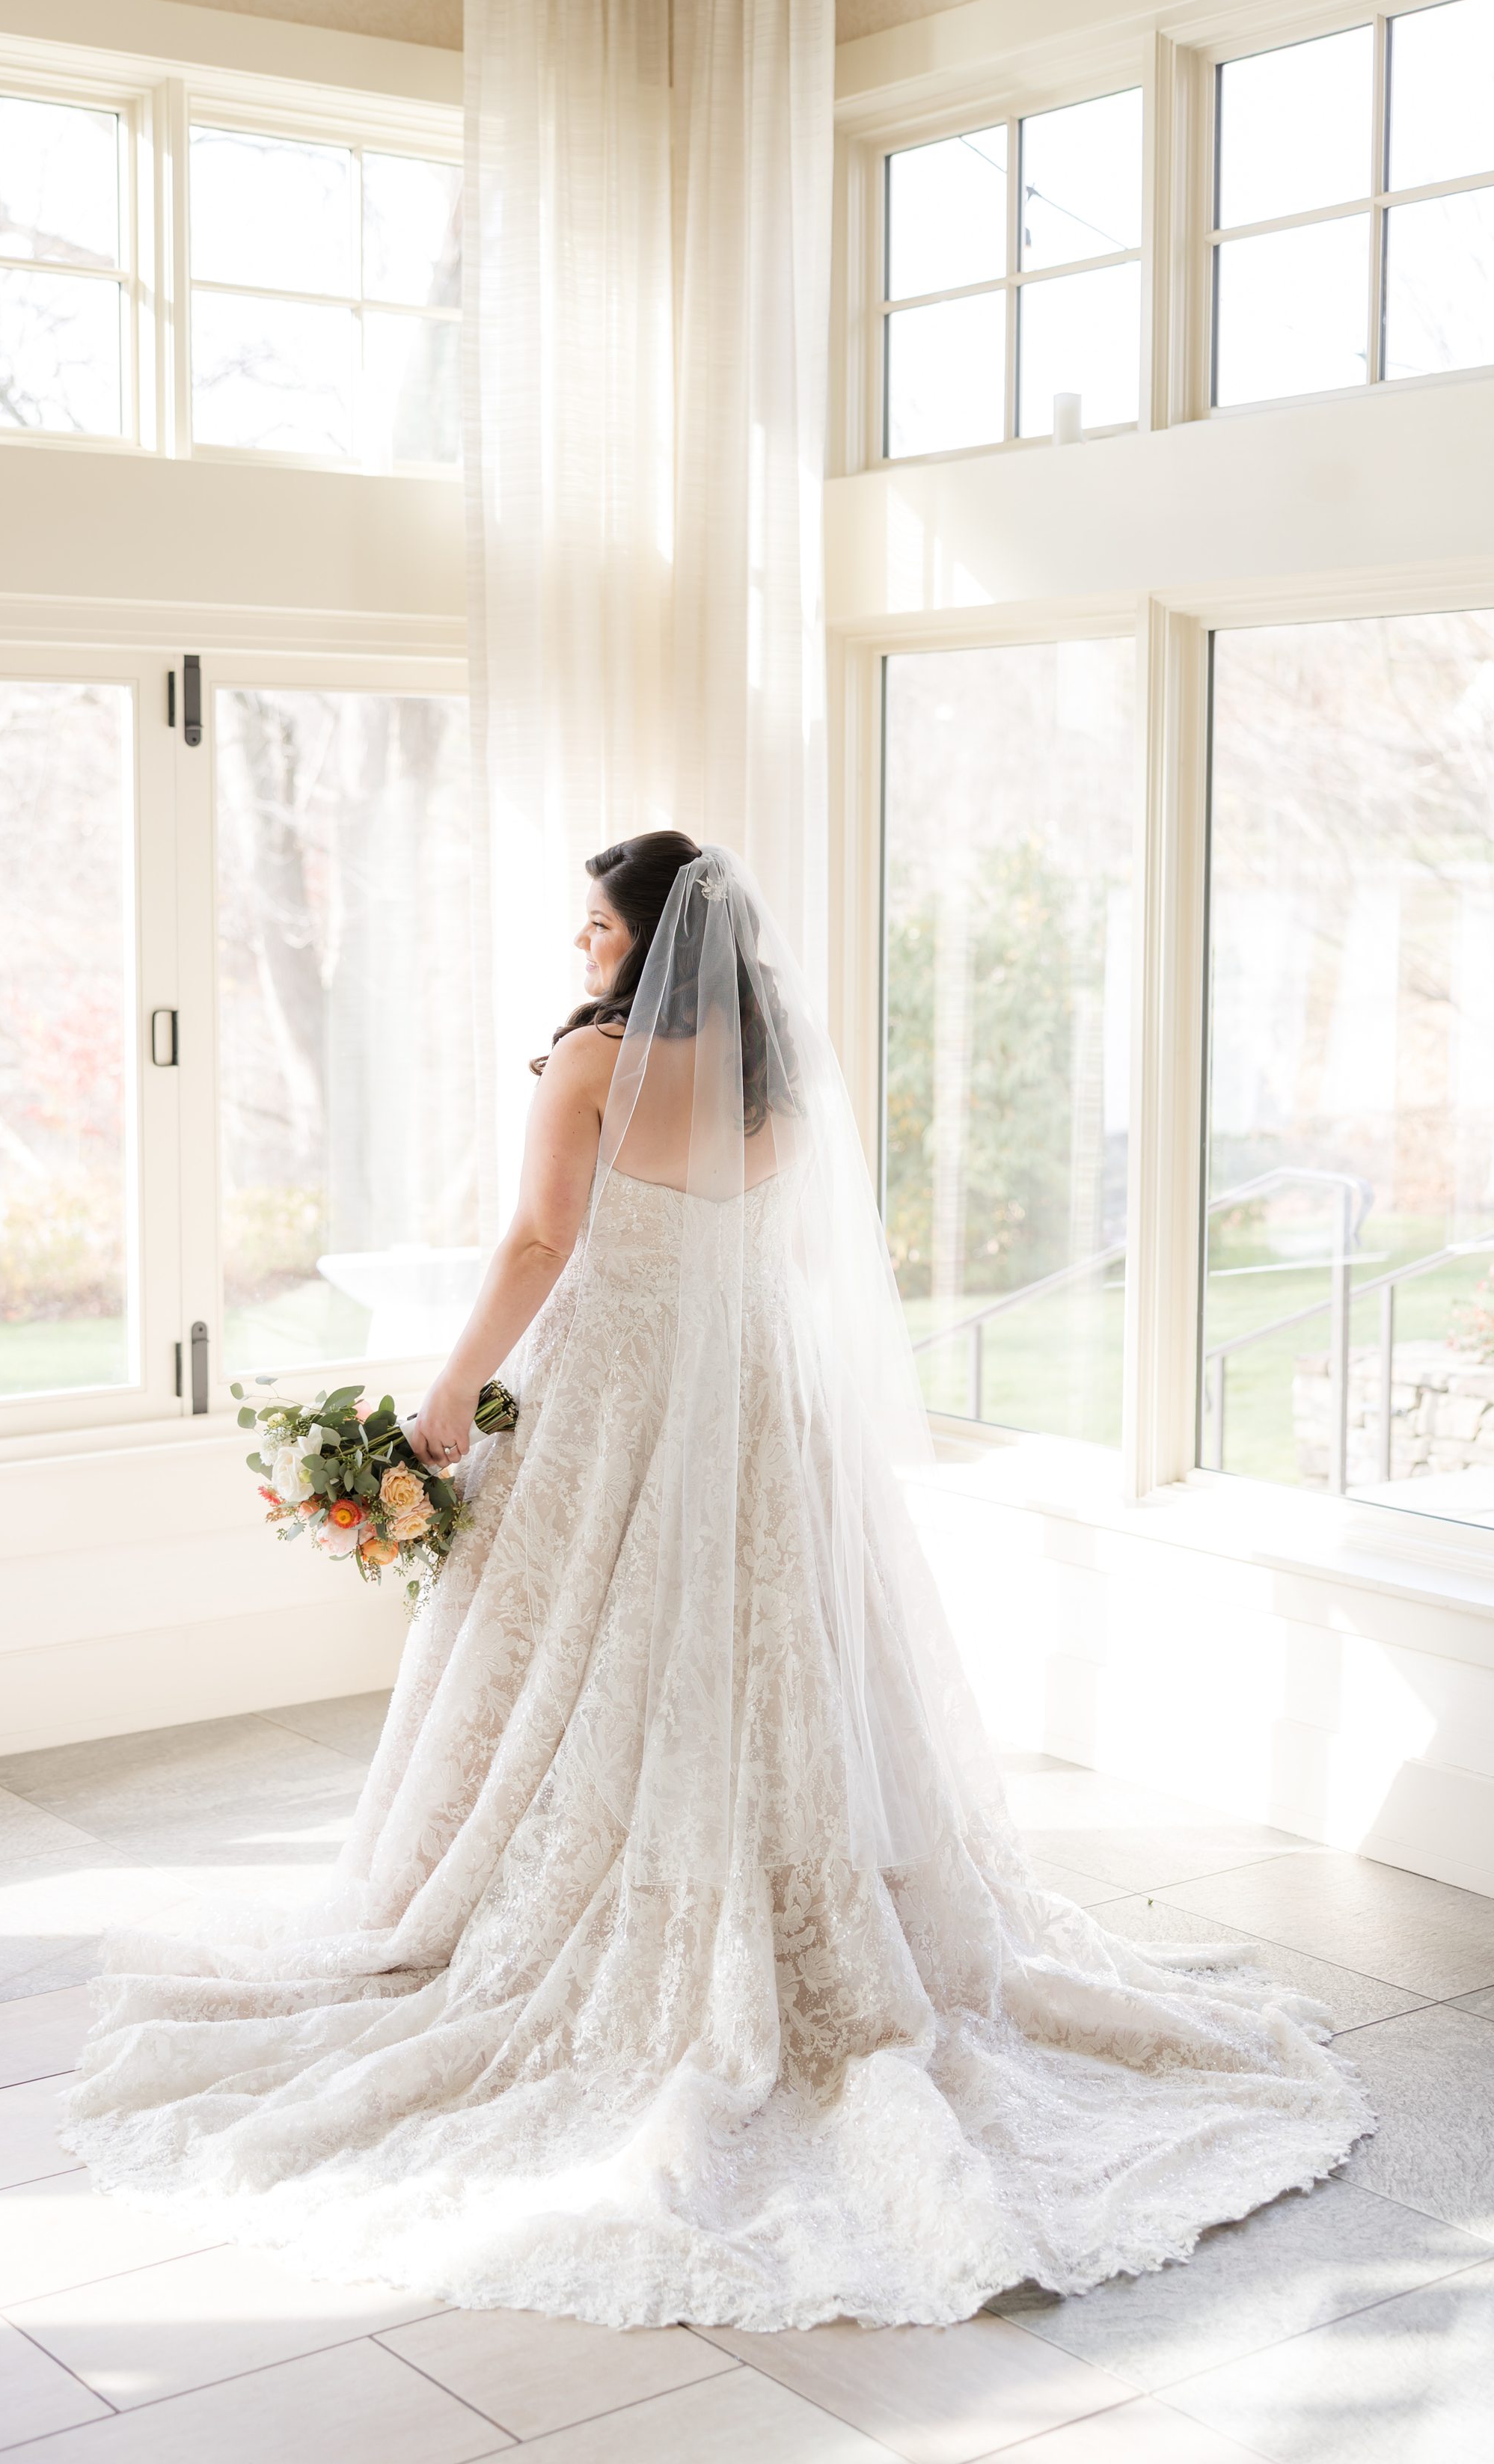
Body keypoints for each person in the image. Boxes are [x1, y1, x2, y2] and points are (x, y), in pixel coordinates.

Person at [67, 833, 1368, 2330]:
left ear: (646, 937)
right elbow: (774, 1255)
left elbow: (543, 1241)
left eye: (594, 932)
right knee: (776, 1658)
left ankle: (594, 1913)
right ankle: (785, 1903)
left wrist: (443, 1401)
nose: (581, 955)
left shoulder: (592, 1068)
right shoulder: (778, 1081)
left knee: (578, 1663)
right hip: (760, 1403)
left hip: (612, 1403)